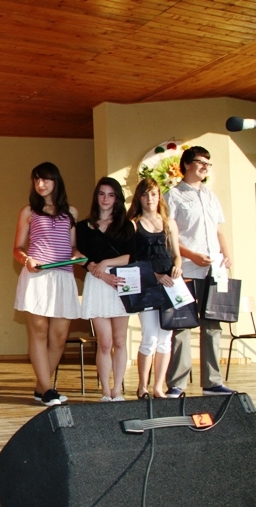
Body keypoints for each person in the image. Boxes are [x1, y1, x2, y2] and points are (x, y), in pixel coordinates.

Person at [164, 146, 234, 397]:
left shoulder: (211, 196)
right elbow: (168, 235)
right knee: (182, 326)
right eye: (200, 162)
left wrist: (227, 255)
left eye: (208, 163)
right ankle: (177, 384)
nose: (205, 167)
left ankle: (212, 382)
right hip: (185, 269)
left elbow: (219, 231)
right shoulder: (172, 195)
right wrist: (191, 255)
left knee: (213, 324)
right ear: (186, 165)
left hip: (214, 271)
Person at [14, 162, 81, 407]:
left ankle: (41, 387)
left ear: (56, 180)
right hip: (38, 277)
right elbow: (17, 248)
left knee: (59, 337)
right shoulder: (28, 212)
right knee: (39, 333)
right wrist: (26, 260)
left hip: (63, 277)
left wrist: (77, 254)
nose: (40, 184)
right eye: (36, 180)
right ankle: (48, 389)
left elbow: (73, 246)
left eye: (45, 179)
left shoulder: (71, 212)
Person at [76, 177, 135, 402]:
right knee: (105, 342)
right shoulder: (84, 226)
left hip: (120, 282)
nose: (106, 199)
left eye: (111, 195)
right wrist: (99, 270)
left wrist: (106, 263)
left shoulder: (126, 226)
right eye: (102, 194)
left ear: (117, 198)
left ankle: (117, 390)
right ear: (96, 197)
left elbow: (131, 256)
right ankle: (105, 391)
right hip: (97, 283)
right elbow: (79, 255)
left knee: (119, 341)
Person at [127, 178, 182, 399]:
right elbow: (132, 260)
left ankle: (158, 387)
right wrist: (155, 275)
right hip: (147, 285)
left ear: (159, 196)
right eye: (145, 194)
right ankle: (142, 386)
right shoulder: (133, 224)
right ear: (139, 198)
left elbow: (177, 254)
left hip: (170, 286)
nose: (150, 199)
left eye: (153, 194)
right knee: (149, 337)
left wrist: (177, 267)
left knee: (165, 338)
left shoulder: (169, 223)